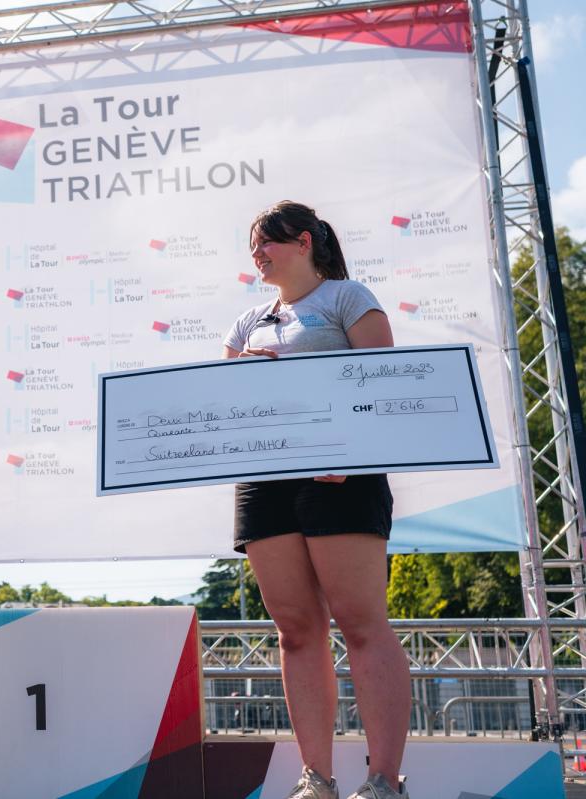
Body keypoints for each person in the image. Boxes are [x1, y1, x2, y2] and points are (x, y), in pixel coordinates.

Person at [222, 202, 410, 799]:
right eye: (251, 246)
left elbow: (387, 385)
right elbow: (224, 407)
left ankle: (383, 780)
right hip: (264, 482)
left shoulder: (348, 298)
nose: (257, 255)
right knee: (296, 631)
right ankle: (317, 780)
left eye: (266, 243)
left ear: (303, 242)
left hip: (340, 477)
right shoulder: (247, 321)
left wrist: (352, 453)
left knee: (361, 624)